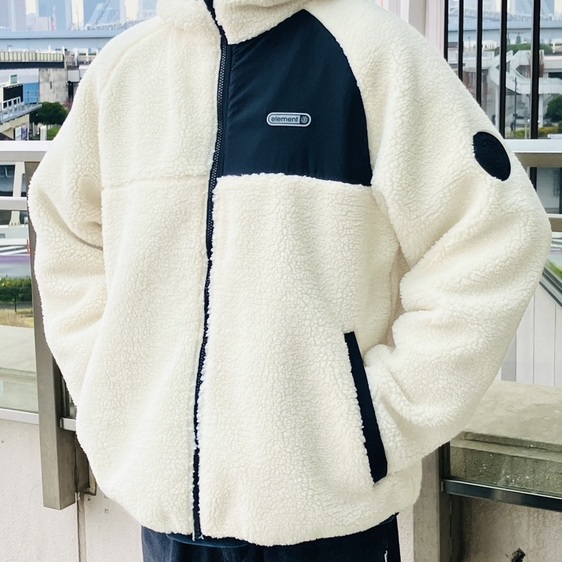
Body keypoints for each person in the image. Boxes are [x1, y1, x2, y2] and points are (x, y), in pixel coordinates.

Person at [28, 0, 551, 560]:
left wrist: (376, 422)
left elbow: (497, 230)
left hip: (326, 523)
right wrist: (113, 385)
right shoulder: (125, 70)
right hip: (167, 524)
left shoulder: (372, 51)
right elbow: (64, 232)